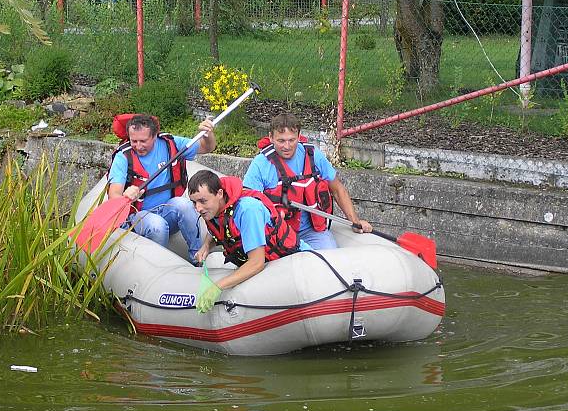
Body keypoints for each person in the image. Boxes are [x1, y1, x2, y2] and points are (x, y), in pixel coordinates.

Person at [242, 113, 372, 250]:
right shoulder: (260, 164)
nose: (287, 146)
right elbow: (248, 204)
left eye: (292, 140)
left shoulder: (312, 155)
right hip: (276, 233)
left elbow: (338, 189)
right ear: (271, 138)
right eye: (281, 141)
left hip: (310, 232)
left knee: (330, 257)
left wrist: (355, 221)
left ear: (299, 136)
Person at [188, 170, 312, 311]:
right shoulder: (214, 210)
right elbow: (218, 230)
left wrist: (217, 286)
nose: (198, 208)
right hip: (267, 266)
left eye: (203, 201)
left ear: (220, 194)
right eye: (194, 203)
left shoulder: (248, 210)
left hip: (293, 262)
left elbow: (256, 263)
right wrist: (206, 246)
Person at [107, 114, 216, 262]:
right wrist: (126, 195)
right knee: (157, 225)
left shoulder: (169, 143)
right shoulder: (123, 157)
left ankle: (197, 258)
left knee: (184, 205)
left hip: (166, 210)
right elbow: (114, 196)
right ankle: (160, 266)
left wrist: (208, 134)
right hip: (137, 216)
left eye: (143, 141)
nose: (138, 146)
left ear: (154, 136)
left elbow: (206, 147)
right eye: (134, 141)